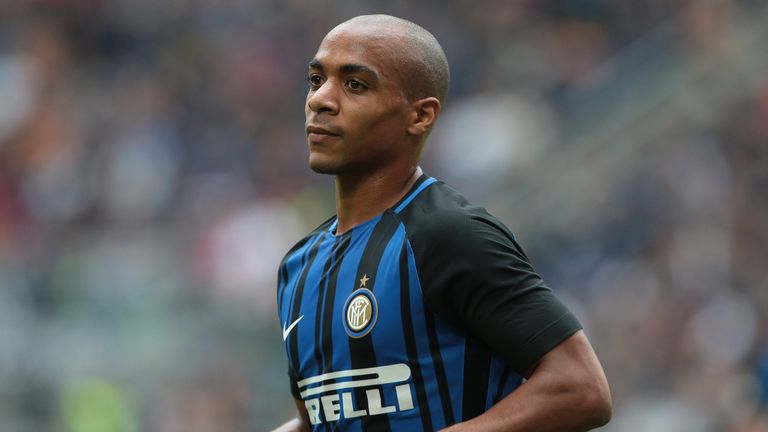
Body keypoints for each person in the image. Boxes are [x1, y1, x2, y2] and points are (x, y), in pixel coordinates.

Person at [271, 14, 612, 432]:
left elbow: (580, 388)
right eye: (315, 79)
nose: (321, 99)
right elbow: (319, 419)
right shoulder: (297, 267)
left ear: (420, 116)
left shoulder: (448, 235)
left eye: (355, 84)